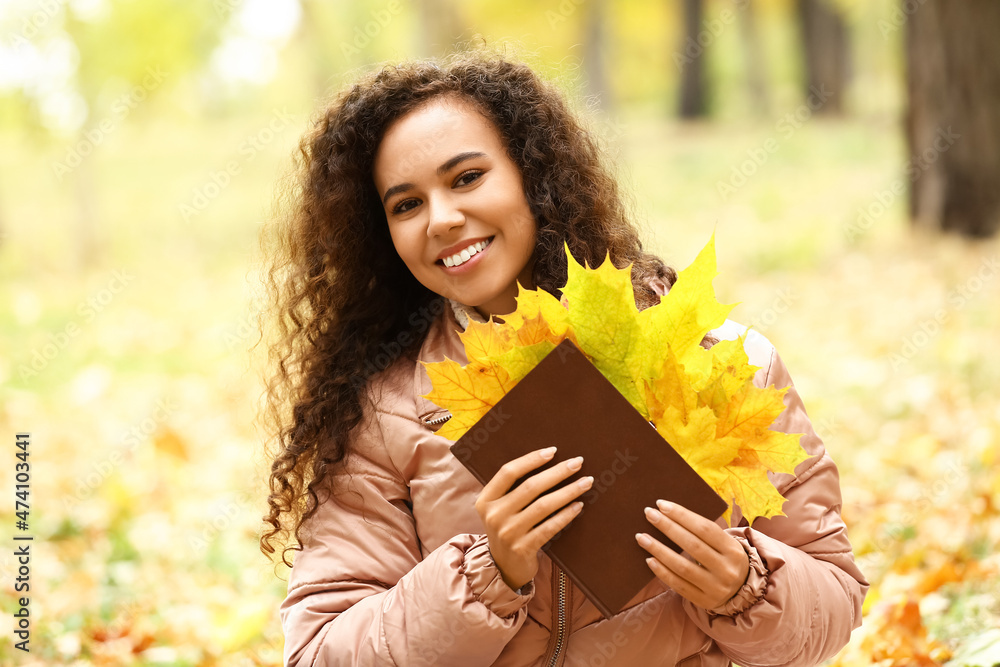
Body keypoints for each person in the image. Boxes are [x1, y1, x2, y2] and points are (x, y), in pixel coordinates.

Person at [259, 51, 868, 666]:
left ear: (532, 174)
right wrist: (485, 575)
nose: (442, 219)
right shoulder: (384, 416)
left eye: (467, 178)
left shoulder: (717, 359)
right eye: (406, 204)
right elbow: (320, 654)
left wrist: (744, 585)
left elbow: (835, 601)